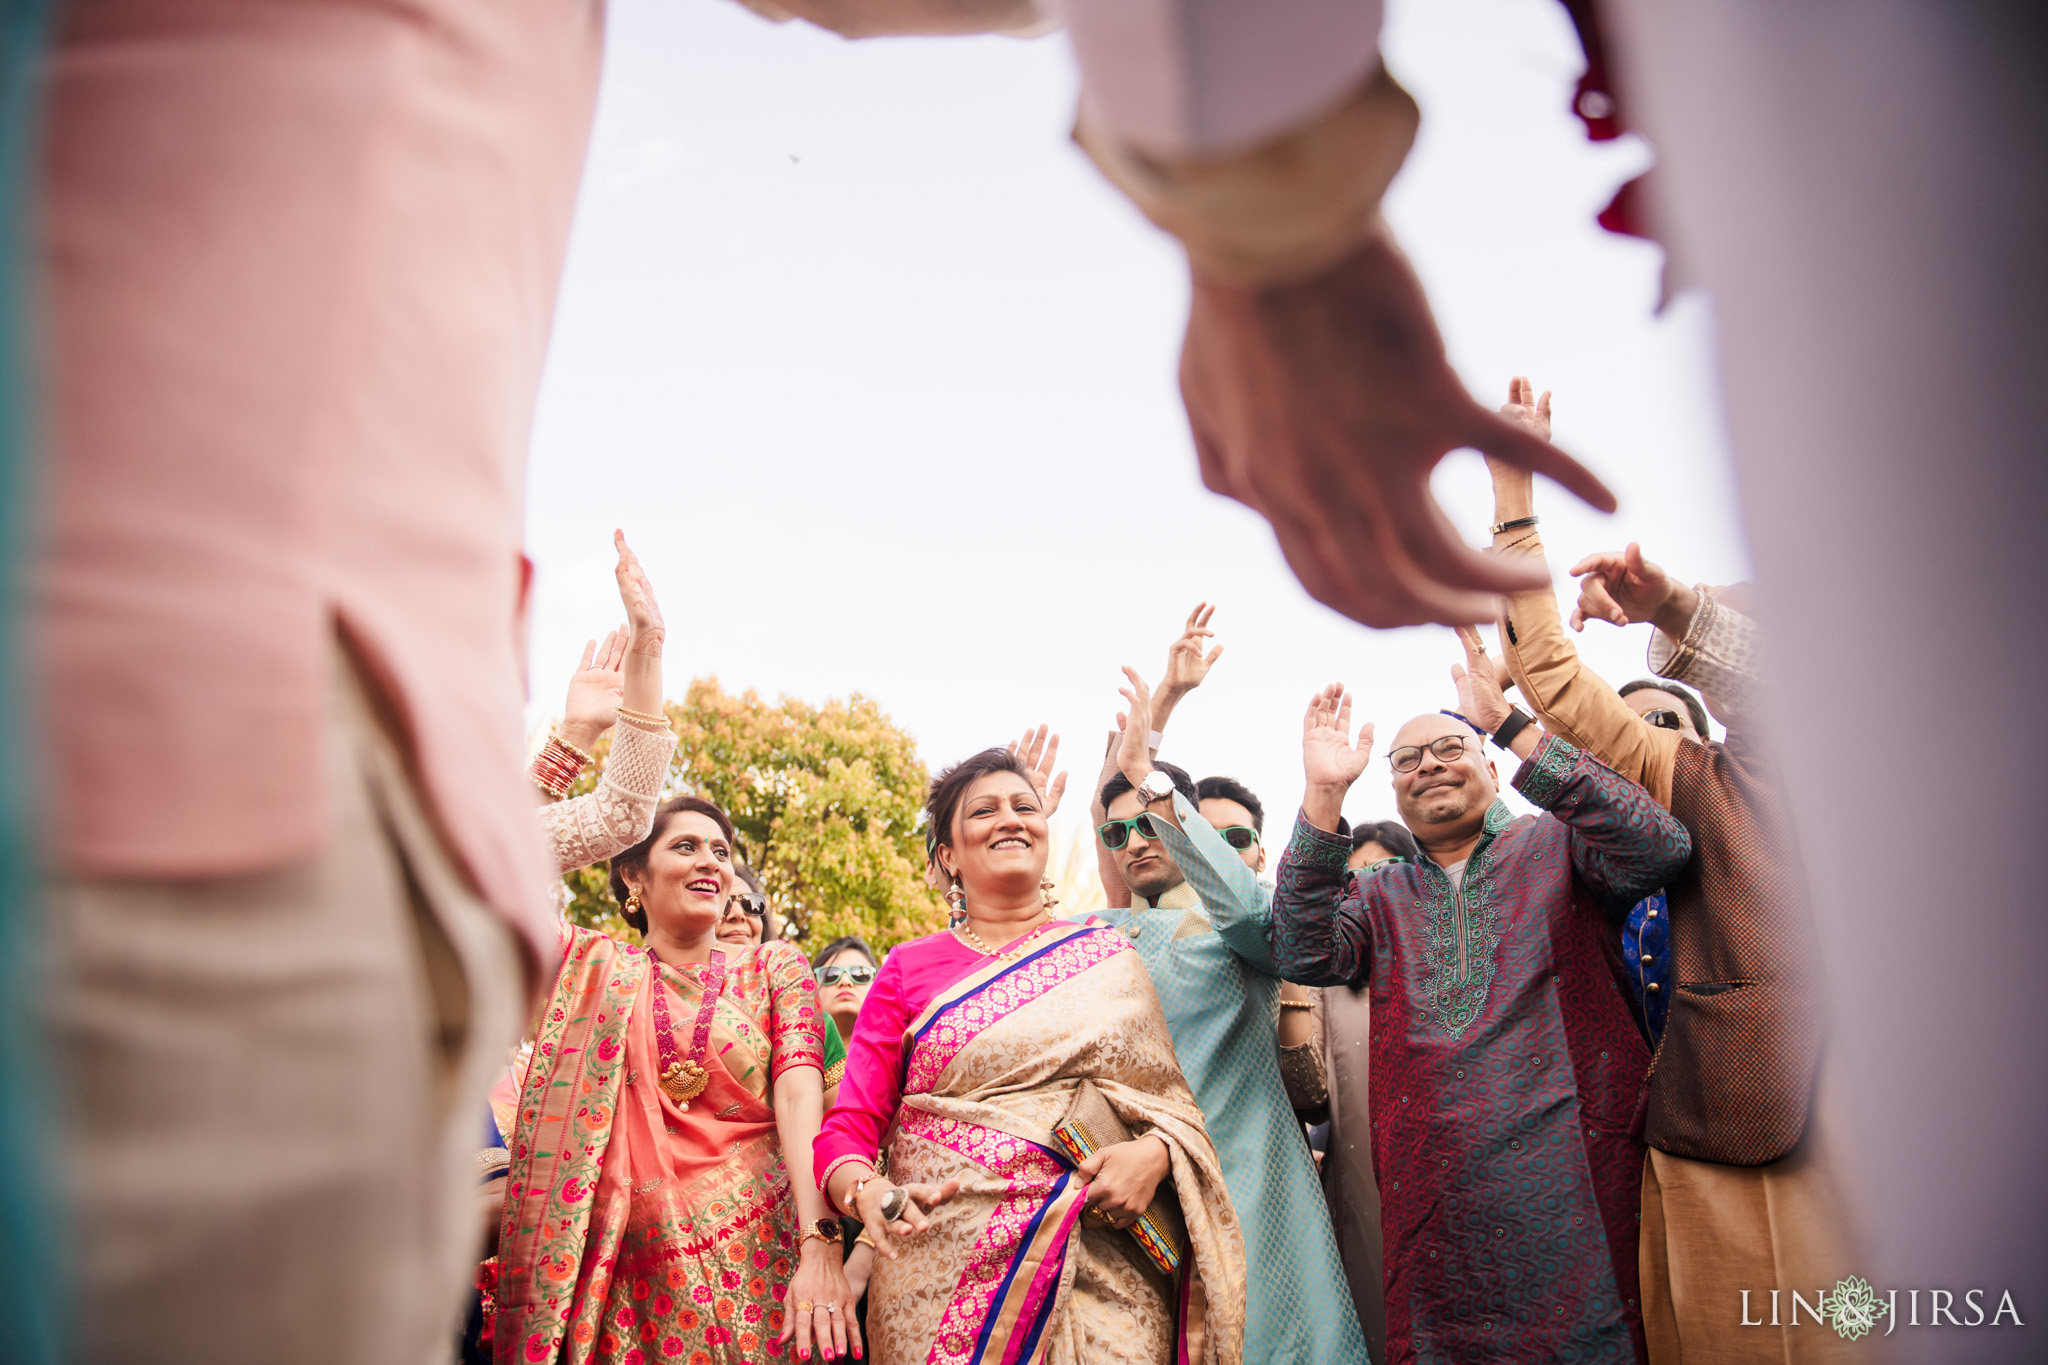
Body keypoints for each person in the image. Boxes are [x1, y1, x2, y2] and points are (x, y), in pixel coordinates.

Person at [1477, 403, 1851, 1364]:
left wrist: (1682, 605)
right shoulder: (1702, 780)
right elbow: (1552, 681)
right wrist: (1513, 498)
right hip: (1739, 1125)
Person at [1269, 675, 1691, 1365]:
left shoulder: (1558, 846)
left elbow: (1659, 847)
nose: (1428, 763)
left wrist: (1508, 720)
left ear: (1493, 768)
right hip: (1434, 1216)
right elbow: (1298, 948)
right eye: (1406, 760)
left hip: (1578, 1191)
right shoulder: (1380, 891)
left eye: (1448, 746)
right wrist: (1323, 795)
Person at [815, 746, 1247, 1365]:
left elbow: (1171, 1106)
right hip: (937, 1271)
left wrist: (1153, 1156)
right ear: (947, 857)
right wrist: (867, 1193)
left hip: (1105, 1269)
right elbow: (850, 1127)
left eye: (1025, 806)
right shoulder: (908, 967)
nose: (1011, 819)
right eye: (984, 811)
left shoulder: (1106, 955)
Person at [494, 794, 856, 1365]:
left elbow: (799, 1096)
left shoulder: (773, 966)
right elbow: (491, 864)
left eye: (721, 851)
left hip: (775, 1265)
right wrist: (577, 742)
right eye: (685, 846)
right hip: (636, 1287)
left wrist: (822, 1246)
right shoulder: (594, 970)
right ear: (633, 874)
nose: (711, 861)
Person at [1096, 673, 1368, 1365]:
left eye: (1151, 820)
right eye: (1118, 831)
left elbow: (1254, 919)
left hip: (1250, 1181)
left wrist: (1144, 770)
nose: (1136, 839)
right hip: (1128, 1194)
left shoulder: (1243, 919)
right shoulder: (1100, 935)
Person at [811, 934, 879, 1047]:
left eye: (860, 974)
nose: (845, 981)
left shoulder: (905, 1056)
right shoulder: (788, 1058)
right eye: (830, 975)